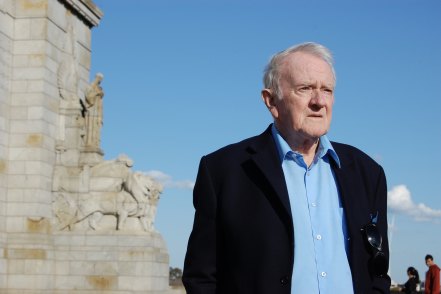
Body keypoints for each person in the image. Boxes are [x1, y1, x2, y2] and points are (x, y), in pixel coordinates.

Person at [182, 42, 390, 294]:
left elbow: (377, 273)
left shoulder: (368, 173)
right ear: (271, 101)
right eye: (305, 88)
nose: (319, 101)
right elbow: (201, 277)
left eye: (327, 90)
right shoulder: (223, 171)